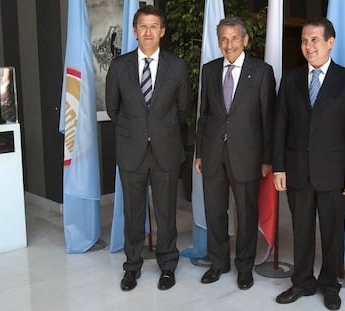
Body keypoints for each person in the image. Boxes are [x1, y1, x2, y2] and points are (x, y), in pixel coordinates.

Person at [273, 17, 345, 310]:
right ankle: (301, 282)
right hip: (298, 171)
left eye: (314, 39)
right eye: (304, 40)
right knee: (301, 230)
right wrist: (279, 166)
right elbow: (280, 126)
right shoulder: (290, 79)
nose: (308, 46)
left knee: (332, 233)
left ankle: (330, 285)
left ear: (330, 42)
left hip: (335, 173)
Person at [106, 5, 190, 291]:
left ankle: (167, 266)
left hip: (165, 150)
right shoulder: (119, 67)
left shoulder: (177, 66)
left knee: (166, 212)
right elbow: (113, 110)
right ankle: (132, 267)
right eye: (143, 26)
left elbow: (182, 111)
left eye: (154, 26)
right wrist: (138, 132)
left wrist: (158, 131)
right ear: (134, 30)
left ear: (162, 31)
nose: (148, 32)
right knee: (133, 214)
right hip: (132, 153)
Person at [195, 16, 276, 289]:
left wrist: (267, 158)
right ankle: (218, 263)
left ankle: (244, 267)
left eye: (234, 38)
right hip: (213, 153)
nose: (229, 44)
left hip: (248, 156)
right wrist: (199, 152)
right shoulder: (209, 70)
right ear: (219, 43)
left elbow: (269, 119)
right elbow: (204, 116)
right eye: (224, 39)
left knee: (246, 213)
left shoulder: (262, 71)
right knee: (215, 211)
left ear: (245, 40)